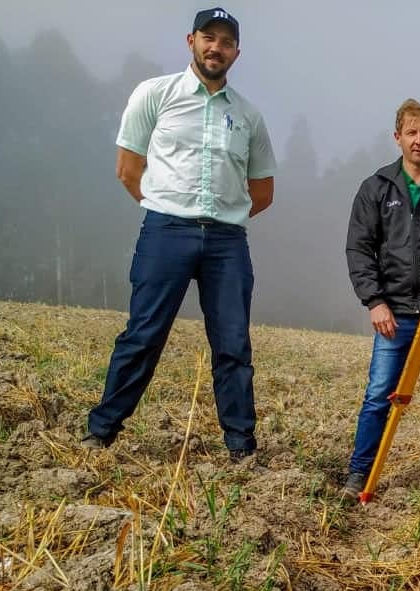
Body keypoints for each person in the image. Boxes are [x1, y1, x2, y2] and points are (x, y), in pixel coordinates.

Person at [82, 7, 276, 463]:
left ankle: (241, 447)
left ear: (237, 52)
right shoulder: (155, 94)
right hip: (166, 231)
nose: (216, 48)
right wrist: (170, 210)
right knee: (143, 334)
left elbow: (262, 192)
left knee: (233, 343)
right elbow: (129, 171)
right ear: (191, 40)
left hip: (227, 243)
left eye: (226, 42)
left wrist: (225, 214)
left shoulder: (249, 116)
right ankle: (102, 431)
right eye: (209, 37)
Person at [341, 99, 420, 498]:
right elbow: (359, 249)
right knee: (379, 395)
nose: (418, 140)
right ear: (397, 137)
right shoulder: (375, 188)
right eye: (411, 132)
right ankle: (359, 473)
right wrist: (374, 301)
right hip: (393, 314)